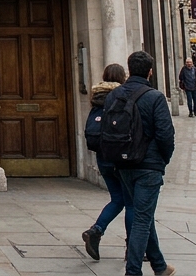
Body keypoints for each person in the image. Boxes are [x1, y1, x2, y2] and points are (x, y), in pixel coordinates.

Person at [106, 51, 176, 276]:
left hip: (123, 163)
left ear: (129, 69)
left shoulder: (114, 95)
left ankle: (159, 265)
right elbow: (166, 134)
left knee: (142, 213)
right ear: (150, 71)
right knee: (142, 218)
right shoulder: (155, 97)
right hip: (148, 165)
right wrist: (162, 159)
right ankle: (133, 271)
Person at [81, 63, 128, 261]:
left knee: (118, 198)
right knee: (133, 202)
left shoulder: (97, 96)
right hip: (122, 157)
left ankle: (96, 231)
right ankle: (134, 247)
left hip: (103, 157)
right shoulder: (122, 96)